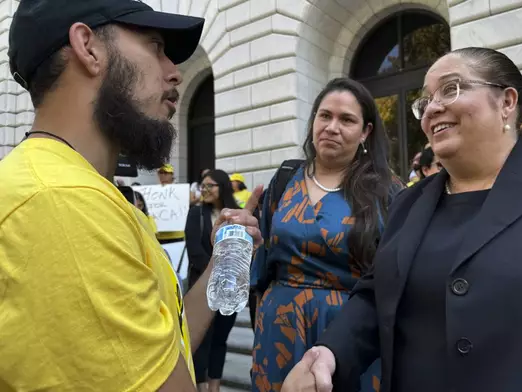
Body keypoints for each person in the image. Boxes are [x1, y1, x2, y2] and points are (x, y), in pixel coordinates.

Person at [284, 47, 522, 392]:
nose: (432, 109)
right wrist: (329, 353)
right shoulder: (409, 203)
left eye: (450, 89)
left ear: (506, 102)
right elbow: (375, 298)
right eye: (424, 102)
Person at [0, 0, 261, 389]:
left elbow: (159, 351)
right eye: (156, 47)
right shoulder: (63, 204)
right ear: (88, 48)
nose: (175, 73)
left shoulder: (86, 194)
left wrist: (226, 261)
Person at [251, 78, 403, 392]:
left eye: (346, 119)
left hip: (349, 336)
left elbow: (394, 278)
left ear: (365, 132)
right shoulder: (284, 179)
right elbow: (262, 264)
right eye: (325, 116)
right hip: (278, 330)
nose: (332, 127)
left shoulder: (387, 192)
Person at [185, 169, 241, 392]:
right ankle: (201, 386)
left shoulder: (236, 214)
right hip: (204, 288)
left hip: (231, 288)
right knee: (202, 341)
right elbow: (195, 252)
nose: (205, 190)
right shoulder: (196, 214)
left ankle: (215, 387)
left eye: (210, 186)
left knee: (220, 340)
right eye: (203, 186)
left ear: (223, 187)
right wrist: (221, 271)